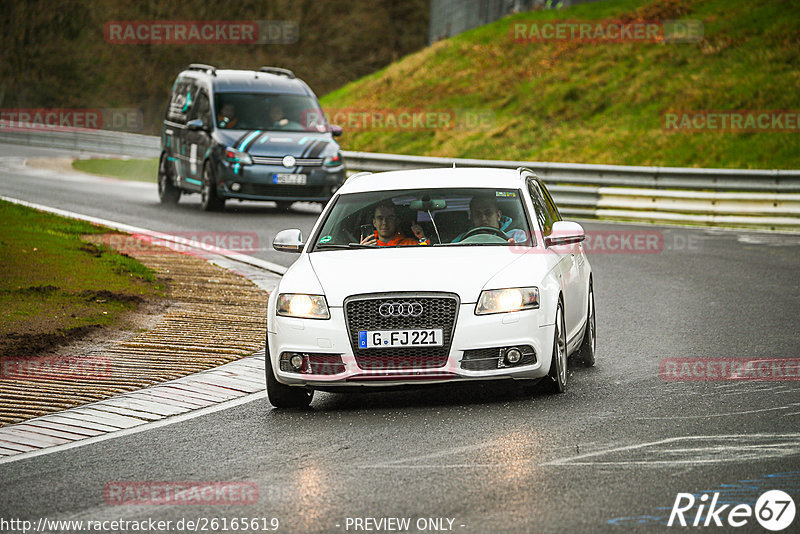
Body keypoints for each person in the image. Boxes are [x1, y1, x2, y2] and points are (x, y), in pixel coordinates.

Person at [451, 195, 526, 243]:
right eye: (478, 214)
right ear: (471, 218)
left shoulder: (517, 235)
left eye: (488, 213)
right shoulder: (462, 239)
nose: (483, 218)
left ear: (498, 215)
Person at [360, 202, 428, 246]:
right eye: (380, 218)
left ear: (396, 221)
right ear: (374, 222)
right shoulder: (367, 244)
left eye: (390, 218)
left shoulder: (410, 244)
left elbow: (426, 256)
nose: (384, 223)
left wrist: (422, 238)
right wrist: (361, 251)